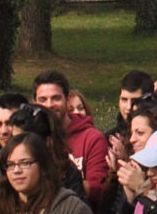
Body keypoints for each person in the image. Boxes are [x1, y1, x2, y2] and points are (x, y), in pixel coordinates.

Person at [32, 70, 111, 201]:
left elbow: (98, 189)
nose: (49, 105)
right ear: (34, 102)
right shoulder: (31, 139)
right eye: (43, 100)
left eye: (56, 98)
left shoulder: (92, 138)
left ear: (67, 99)